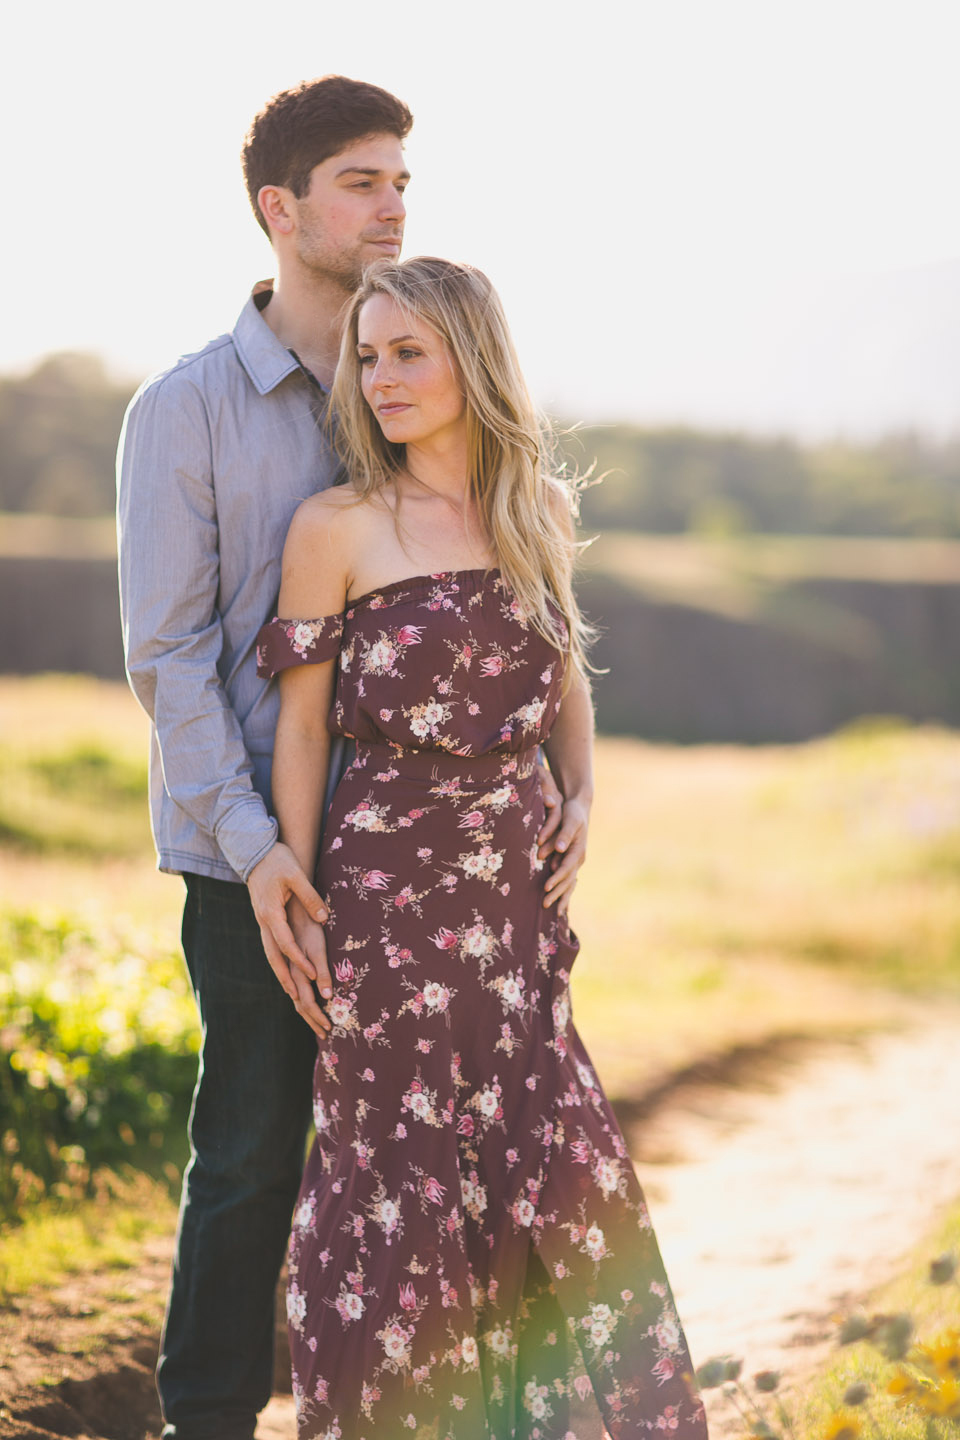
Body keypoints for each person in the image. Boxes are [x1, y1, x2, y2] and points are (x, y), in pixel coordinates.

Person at [257, 257, 707, 1439]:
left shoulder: (538, 513)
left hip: (514, 896)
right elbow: (304, 723)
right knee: (390, 1174)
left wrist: (585, 794)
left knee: (540, 1155)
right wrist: (296, 887)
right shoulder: (338, 527)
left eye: (409, 352)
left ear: (473, 357)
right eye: (369, 355)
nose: (382, 378)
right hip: (386, 894)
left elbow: (564, 673)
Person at [117, 76, 431, 1439]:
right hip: (244, 859)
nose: (395, 204)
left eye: (403, 180)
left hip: (409, 848)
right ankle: (208, 1421)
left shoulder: (416, 382)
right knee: (251, 1151)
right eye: (363, 181)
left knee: (413, 1160)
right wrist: (259, 856)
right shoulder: (182, 411)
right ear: (279, 208)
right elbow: (168, 659)